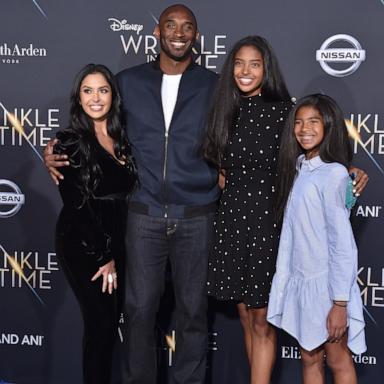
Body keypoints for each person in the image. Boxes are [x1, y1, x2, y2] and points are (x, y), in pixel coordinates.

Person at [45, 4, 218, 384]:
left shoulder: (215, 85)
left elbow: (250, 135)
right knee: (139, 312)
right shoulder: (126, 81)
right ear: (156, 33)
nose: (178, 32)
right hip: (143, 214)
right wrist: (57, 149)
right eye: (170, 25)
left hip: (197, 214)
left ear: (197, 37)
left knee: (193, 313)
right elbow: (92, 122)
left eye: (187, 26)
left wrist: (334, 163)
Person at [202, 36, 368, 384]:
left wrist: (351, 174)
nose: (246, 71)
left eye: (255, 64)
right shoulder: (222, 110)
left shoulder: (285, 112)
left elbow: (319, 156)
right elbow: (218, 168)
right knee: (247, 317)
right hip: (231, 223)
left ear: (267, 68)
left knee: (262, 320)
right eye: (239, 63)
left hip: (267, 225)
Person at [267, 94, 366, 384]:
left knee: (338, 359)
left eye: (313, 121)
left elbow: (342, 244)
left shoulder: (334, 174)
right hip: (302, 280)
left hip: (327, 288)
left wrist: (339, 303)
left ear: (328, 126)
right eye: (298, 122)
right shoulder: (298, 166)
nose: (304, 128)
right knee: (309, 358)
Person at [54, 64, 138, 384]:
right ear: (78, 98)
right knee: (101, 325)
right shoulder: (70, 142)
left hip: (118, 238)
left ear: (113, 95)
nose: (95, 98)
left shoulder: (122, 137)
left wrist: (116, 250)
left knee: (108, 324)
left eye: (102, 90)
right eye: (87, 91)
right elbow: (77, 204)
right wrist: (105, 256)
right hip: (83, 241)